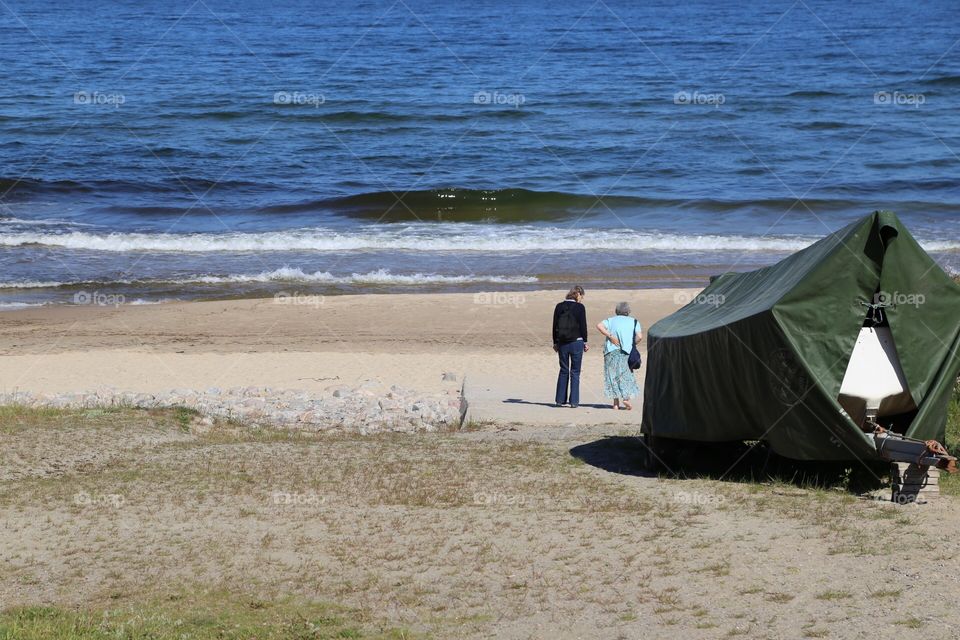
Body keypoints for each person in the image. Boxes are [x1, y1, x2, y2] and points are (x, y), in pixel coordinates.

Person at [596, 301, 642, 410]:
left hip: (611, 351)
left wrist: (610, 336)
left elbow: (599, 326)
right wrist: (632, 344)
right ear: (628, 311)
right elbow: (639, 337)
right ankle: (626, 399)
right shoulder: (634, 321)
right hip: (627, 351)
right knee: (626, 375)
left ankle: (615, 403)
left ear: (617, 311)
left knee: (612, 376)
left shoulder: (611, 320)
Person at [552, 285, 589, 408]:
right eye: (582, 296)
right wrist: (585, 342)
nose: (581, 299)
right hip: (577, 342)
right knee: (575, 371)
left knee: (563, 370)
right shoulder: (580, 307)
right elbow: (583, 326)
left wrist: (555, 342)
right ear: (578, 294)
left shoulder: (559, 306)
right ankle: (574, 402)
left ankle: (559, 400)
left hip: (562, 342)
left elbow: (555, 325)